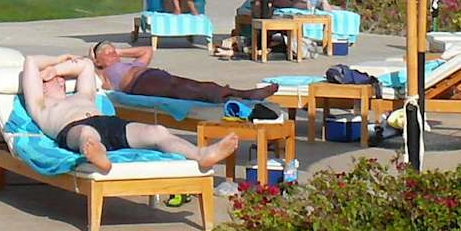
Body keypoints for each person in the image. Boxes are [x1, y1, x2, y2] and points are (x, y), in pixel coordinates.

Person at [19, 52, 241, 176]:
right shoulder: (40, 105)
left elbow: (86, 65)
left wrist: (57, 67)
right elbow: (30, 61)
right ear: (41, 84)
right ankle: (99, 157)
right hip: (73, 129)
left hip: (109, 123)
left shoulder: (82, 95)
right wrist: (53, 63)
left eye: (61, 78)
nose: (61, 80)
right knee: (87, 134)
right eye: (53, 79)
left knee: (157, 131)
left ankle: (201, 154)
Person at [92, 42, 276, 110]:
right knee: (183, 90)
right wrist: (94, 59)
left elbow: (147, 50)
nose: (112, 53)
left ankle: (240, 94)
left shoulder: (130, 64)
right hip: (139, 84)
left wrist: (120, 51)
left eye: (113, 50)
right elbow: (83, 66)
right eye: (107, 53)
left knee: (192, 85)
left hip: (154, 75)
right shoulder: (103, 74)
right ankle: (235, 95)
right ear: (98, 61)